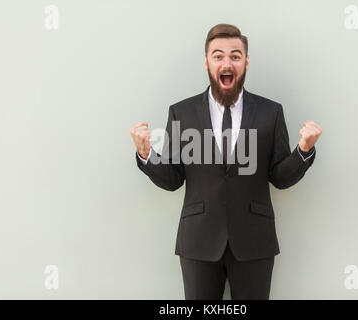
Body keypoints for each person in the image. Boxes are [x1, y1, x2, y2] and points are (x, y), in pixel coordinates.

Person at [130, 23, 322, 300]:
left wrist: (303, 150)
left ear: (245, 62)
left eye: (235, 55)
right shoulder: (181, 113)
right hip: (198, 242)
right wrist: (146, 154)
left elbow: (280, 177)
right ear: (206, 62)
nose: (226, 62)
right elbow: (173, 179)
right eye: (218, 55)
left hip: (255, 241)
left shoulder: (270, 112)